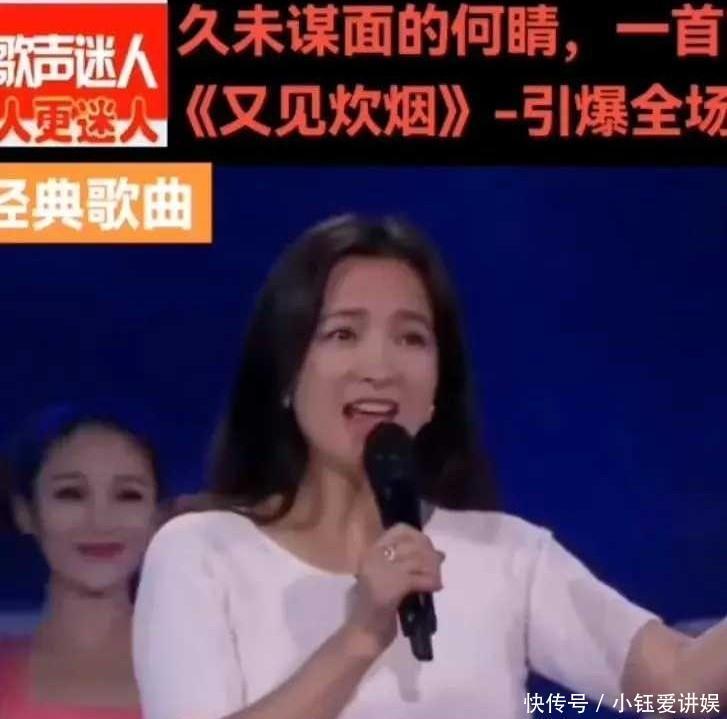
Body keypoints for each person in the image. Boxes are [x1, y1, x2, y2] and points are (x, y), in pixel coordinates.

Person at [132, 215, 726, 719]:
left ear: (438, 385)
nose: (380, 367)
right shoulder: (201, 554)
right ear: (285, 373)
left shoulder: (507, 556)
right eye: (343, 334)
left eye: (411, 339)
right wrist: (361, 636)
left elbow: (682, 693)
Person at [0, 403, 164, 719]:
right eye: (71, 494)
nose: (101, 521)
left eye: (128, 495)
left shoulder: (210, 670)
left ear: (156, 515)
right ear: (25, 513)